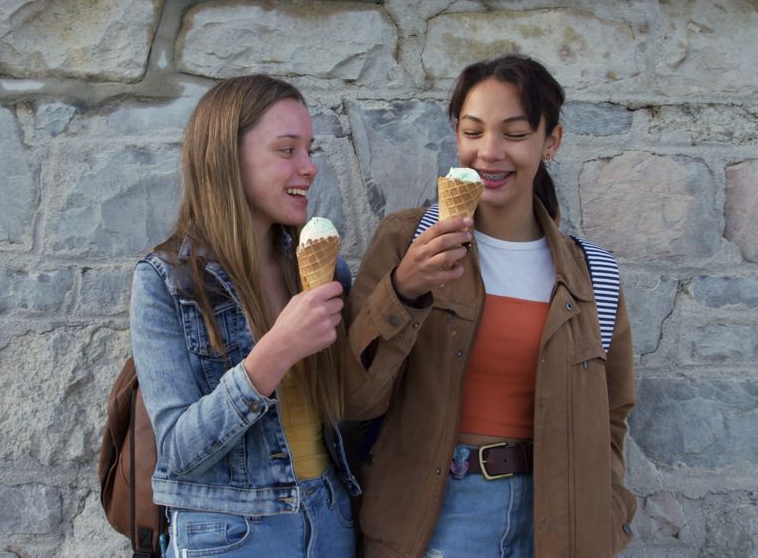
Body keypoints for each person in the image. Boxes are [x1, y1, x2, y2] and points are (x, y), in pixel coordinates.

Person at [344, 54, 637, 557]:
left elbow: (612, 414)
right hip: (436, 519)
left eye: (516, 134)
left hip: (562, 524)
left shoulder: (594, 275)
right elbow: (353, 398)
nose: (490, 152)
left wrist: (607, 509)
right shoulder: (406, 240)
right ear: (456, 134)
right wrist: (404, 290)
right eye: (473, 131)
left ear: (552, 141)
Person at [129, 74, 359, 558]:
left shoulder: (320, 265)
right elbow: (177, 452)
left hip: (332, 517)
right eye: (287, 150)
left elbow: (357, 402)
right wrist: (275, 352)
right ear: (226, 159)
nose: (310, 167)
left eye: (310, 149)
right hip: (232, 534)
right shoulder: (164, 280)